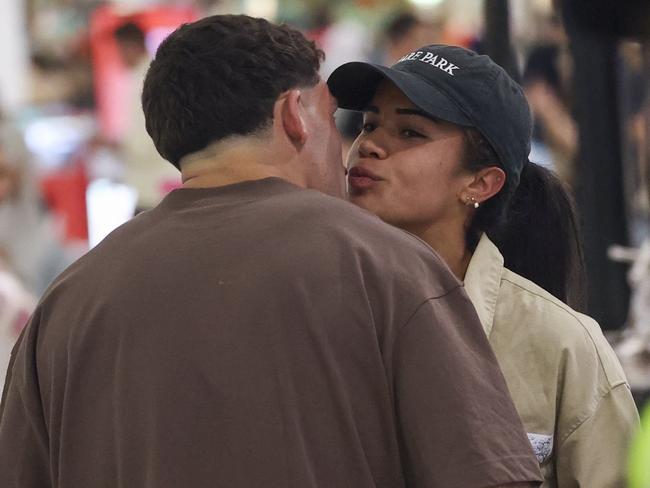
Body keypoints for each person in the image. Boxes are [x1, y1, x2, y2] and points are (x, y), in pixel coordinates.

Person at [0, 16, 542, 487]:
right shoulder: (384, 265)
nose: (353, 145)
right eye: (334, 117)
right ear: (294, 116)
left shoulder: (66, 303)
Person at [328, 44, 640, 487]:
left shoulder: (561, 345)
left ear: (480, 182)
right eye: (370, 123)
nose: (370, 145)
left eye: (410, 132)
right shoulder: (314, 307)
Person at [114, 21, 180, 212]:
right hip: (159, 181)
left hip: (154, 184)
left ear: (130, 46)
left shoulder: (143, 80)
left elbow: (142, 141)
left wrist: (114, 144)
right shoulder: (152, 74)